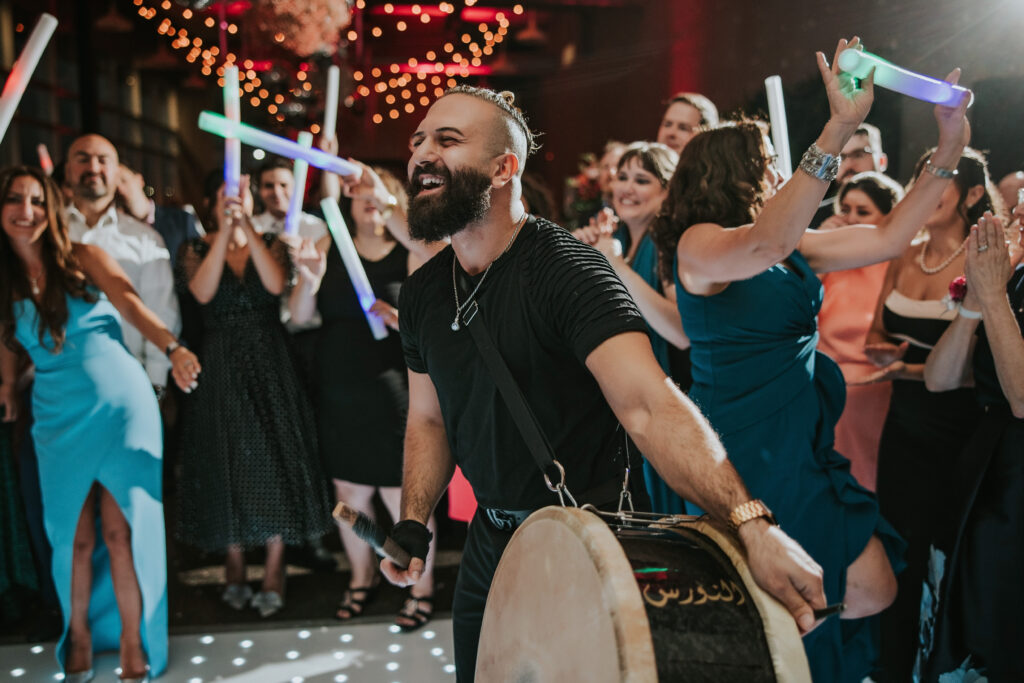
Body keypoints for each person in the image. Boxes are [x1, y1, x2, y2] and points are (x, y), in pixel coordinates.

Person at [379, 83, 837, 682]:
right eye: (417, 142)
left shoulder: (569, 269)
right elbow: (429, 419)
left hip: (592, 540)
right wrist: (415, 519)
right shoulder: (422, 292)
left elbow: (649, 404)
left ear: (503, 167)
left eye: (447, 139)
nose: (420, 155)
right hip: (488, 547)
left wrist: (752, 523)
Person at [652, 38, 971, 681]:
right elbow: (766, 239)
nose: (783, 172)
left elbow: (889, 235)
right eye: (771, 161)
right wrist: (837, 128)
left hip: (802, 440)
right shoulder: (700, 247)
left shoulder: (797, 247)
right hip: (744, 444)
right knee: (815, 594)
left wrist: (949, 148)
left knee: (862, 588)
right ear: (732, 173)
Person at [0, 165, 201, 681]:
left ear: (52, 207)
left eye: (37, 201)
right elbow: (5, 341)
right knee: (74, 538)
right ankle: (80, 635)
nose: (27, 211)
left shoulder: (83, 255)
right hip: (55, 416)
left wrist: (172, 348)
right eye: (15, 201)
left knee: (122, 532)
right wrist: (5, 387)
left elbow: (131, 303)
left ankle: (135, 639)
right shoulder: (3, 281)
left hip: (120, 405)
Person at [863, 147, 1003, 682]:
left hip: (961, 426)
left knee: (947, 555)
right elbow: (878, 330)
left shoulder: (988, 259)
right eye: (923, 174)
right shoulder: (905, 253)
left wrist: (909, 370)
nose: (929, 185)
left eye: (942, 177)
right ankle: (892, 666)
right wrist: (884, 354)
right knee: (901, 546)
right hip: (902, 427)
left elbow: (984, 369)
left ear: (971, 193)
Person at [290, 163, 444, 629]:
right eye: (358, 196)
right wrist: (309, 279)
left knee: (405, 494)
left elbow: (436, 323)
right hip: (339, 384)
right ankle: (362, 576)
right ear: (348, 206)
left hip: (392, 386)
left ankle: (420, 585)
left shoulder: (409, 253)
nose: (368, 202)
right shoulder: (327, 248)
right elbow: (300, 317)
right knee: (349, 492)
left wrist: (402, 321)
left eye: (377, 195)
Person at [175, 175, 331, 618]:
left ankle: (276, 564)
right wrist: (225, 232)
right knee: (225, 459)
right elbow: (203, 293)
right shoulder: (198, 247)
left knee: (275, 456)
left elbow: (272, 286)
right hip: (220, 357)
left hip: (269, 356)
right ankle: (235, 559)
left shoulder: (273, 241)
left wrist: (246, 228)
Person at [921, 210, 1024, 680]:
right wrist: (975, 303)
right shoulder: (1011, 279)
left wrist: (996, 296)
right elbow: (939, 379)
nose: (1015, 217)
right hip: (983, 464)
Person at [575, 141, 691, 512]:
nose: (626, 187)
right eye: (622, 176)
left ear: (668, 189)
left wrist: (618, 267)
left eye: (642, 180)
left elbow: (680, 330)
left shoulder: (666, 241)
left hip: (669, 394)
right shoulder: (627, 240)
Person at [63, 134, 180, 398]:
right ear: (69, 171)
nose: (93, 168)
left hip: (127, 380)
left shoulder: (145, 239)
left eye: (102, 161)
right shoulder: (49, 234)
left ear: (117, 174)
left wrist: (156, 384)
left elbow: (162, 312)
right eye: (83, 160)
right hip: (59, 381)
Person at [817, 171, 905, 490]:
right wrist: (821, 242)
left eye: (862, 212)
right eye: (846, 210)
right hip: (822, 380)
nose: (851, 219)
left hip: (874, 384)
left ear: (888, 216)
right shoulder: (827, 260)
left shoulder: (897, 264)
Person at [116, 163, 204, 269]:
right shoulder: (116, 230)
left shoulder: (181, 220)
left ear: (139, 180)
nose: (120, 189)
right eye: (114, 186)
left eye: (123, 180)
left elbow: (200, 266)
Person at [811, 122, 890, 228]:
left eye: (858, 155)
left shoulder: (906, 209)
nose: (848, 164)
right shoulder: (813, 219)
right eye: (841, 157)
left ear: (882, 161)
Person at [251, 156, 328, 244]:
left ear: (295, 188)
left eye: (283, 185)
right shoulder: (250, 226)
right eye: (269, 186)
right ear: (259, 190)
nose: (277, 192)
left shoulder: (316, 226)